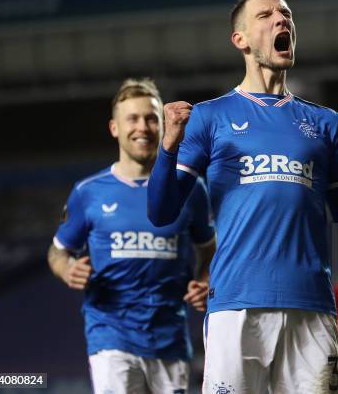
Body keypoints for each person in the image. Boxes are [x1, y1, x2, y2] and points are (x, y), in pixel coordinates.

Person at [148, 0, 338, 393]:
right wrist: (167, 148)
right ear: (241, 40)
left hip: (311, 306)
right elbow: (161, 212)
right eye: (266, 15)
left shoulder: (325, 124)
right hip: (236, 305)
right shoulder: (209, 118)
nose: (281, 20)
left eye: (285, 14)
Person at [48, 78, 216, 394]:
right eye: (133, 118)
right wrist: (67, 269)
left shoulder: (191, 189)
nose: (143, 126)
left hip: (170, 337)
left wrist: (205, 281)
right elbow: (57, 252)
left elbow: (209, 250)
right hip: (111, 335)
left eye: (152, 118)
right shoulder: (88, 193)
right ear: (114, 128)